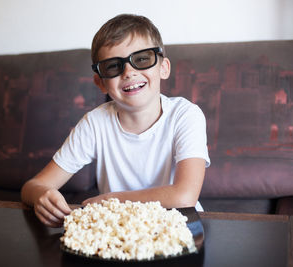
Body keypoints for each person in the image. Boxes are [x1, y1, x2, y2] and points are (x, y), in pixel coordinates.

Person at [21, 14, 210, 227]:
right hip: (120, 232)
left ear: (163, 68)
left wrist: (110, 201)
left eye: (141, 59)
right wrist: (41, 196)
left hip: (181, 227)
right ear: (100, 83)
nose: (129, 72)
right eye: (113, 66)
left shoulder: (186, 115)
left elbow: (185, 196)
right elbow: (33, 185)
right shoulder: (94, 124)